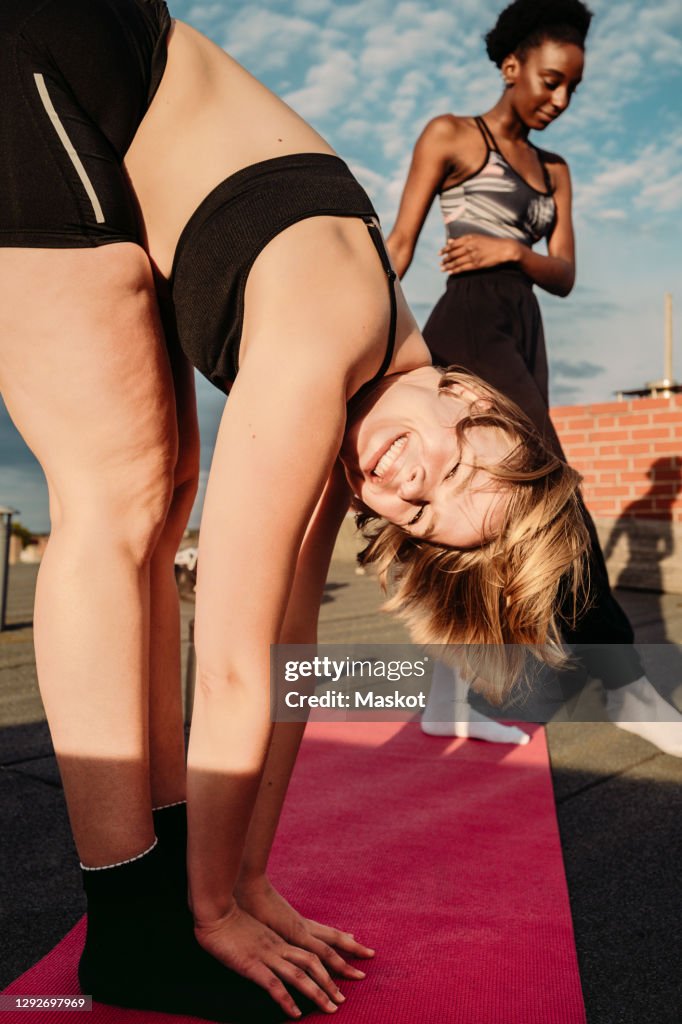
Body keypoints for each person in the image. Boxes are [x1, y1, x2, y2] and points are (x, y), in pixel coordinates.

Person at [0, 2, 587, 1022]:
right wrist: (213, 911)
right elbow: (231, 668)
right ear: (473, 396)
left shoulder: (374, 406)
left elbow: (292, 659)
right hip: (54, 48)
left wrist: (252, 878)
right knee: (115, 492)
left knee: (162, 490)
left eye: (420, 514)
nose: (408, 485)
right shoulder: (334, 328)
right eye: (454, 469)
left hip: (92, 79)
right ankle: (136, 923)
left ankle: (167, 879)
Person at [385, 0, 682, 755]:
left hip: (524, 323)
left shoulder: (556, 170)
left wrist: (511, 252)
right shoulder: (453, 135)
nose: (559, 100)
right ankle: (627, 686)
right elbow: (399, 246)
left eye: (573, 88)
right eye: (550, 80)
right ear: (512, 65)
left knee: (492, 501)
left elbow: (566, 274)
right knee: (552, 489)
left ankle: (445, 698)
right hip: (469, 326)